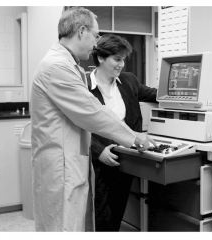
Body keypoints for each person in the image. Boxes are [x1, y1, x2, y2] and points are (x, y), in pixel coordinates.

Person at [30, 7, 156, 232]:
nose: (96, 41)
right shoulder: (58, 67)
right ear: (81, 31)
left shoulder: (65, 64)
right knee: (62, 227)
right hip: (61, 166)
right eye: (96, 35)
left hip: (67, 162)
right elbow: (92, 113)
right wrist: (134, 137)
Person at [88, 34, 158, 231]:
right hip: (99, 162)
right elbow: (75, 124)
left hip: (125, 158)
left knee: (117, 213)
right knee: (100, 218)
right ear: (101, 58)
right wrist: (98, 151)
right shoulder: (83, 86)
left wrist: (187, 92)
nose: (122, 64)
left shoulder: (128, 81)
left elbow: (155, 94)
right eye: (117, 59)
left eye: (123, 59)